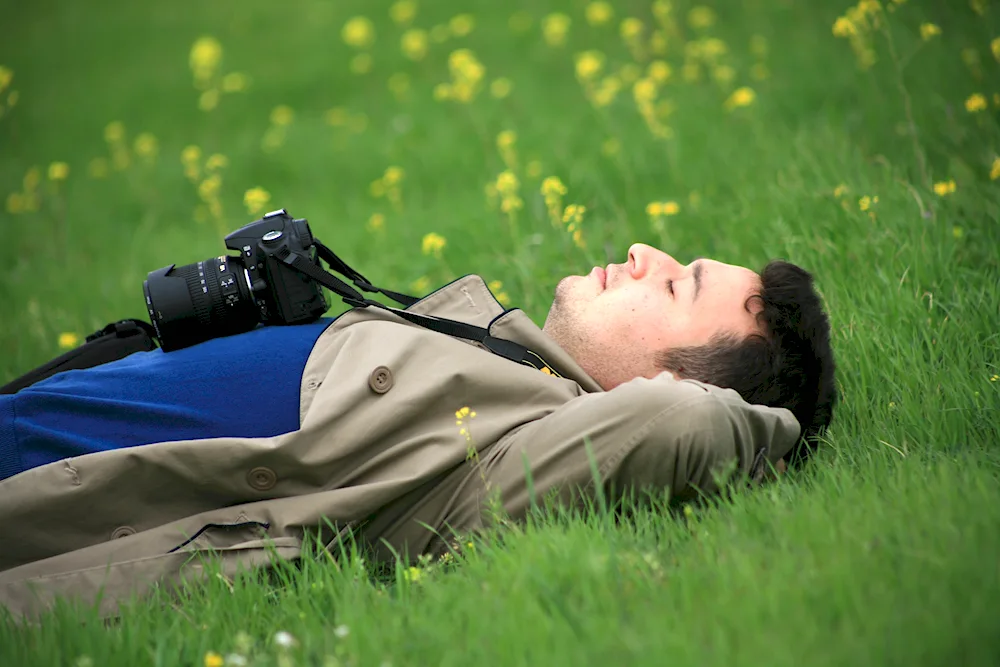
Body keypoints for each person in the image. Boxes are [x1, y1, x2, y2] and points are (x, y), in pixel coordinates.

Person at [0, 243, 836, 618]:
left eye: (678, 286)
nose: (646, 251)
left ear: (672, 376)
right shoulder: (514, 368)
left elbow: (689, 420)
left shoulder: (522, 450)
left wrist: (785, 427)